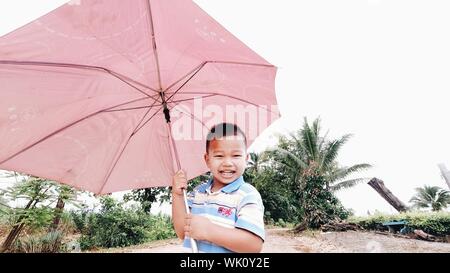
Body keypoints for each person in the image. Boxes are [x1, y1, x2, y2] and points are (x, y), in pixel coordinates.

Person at [171, 122, 265, 253]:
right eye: (219, 156)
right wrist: (177, 195)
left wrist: (209, 231)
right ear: (207, 159)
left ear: (246, 158)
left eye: (236, 155)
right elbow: (182, 232)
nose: (227, 163)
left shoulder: (247, 195)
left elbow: (253, 245)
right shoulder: (197, 193)